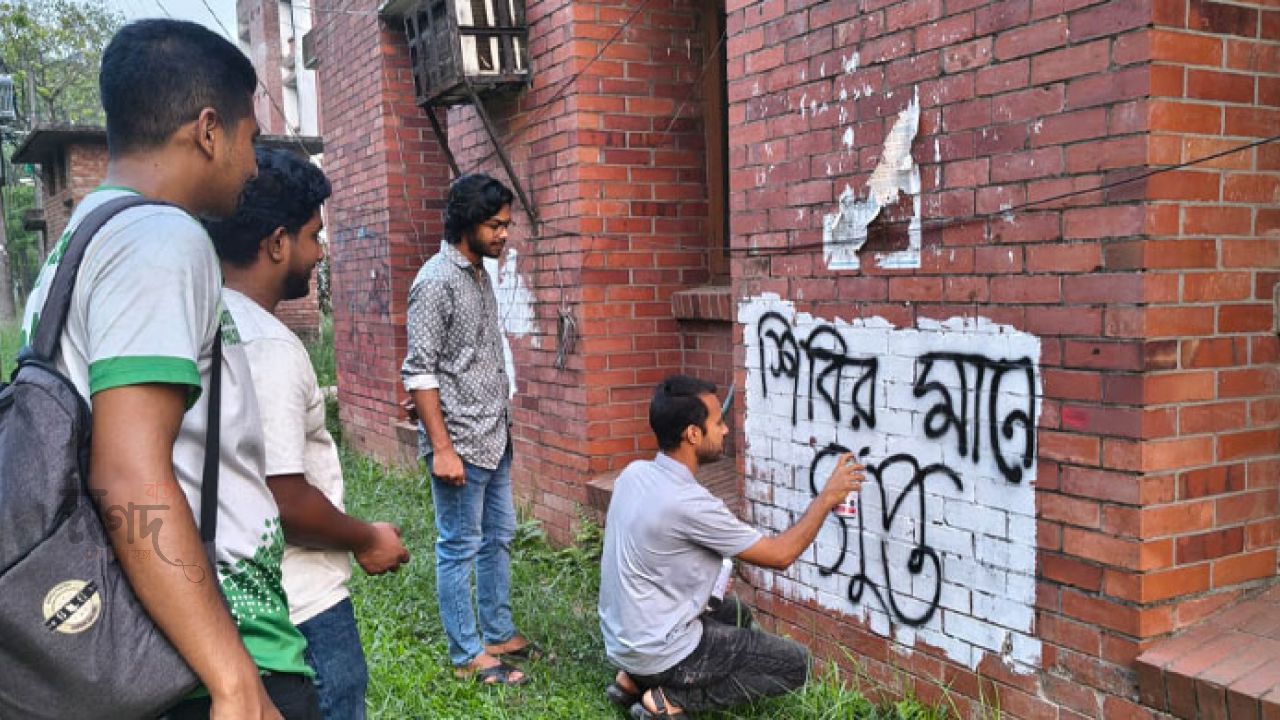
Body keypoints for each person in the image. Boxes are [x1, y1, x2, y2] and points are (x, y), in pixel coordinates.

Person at [18, 19, 318, 720]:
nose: (253, 166)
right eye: (249, 138)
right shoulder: (161, 238)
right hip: (204, 656)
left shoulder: (76, 248)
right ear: (209, 131)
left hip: (130, 645)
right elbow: (128, 472)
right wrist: (234, 679)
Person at [204, 148, 411, 719]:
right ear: (277, 243)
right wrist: (367, 538)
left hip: (232, 604)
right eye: (313, 236)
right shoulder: (266, 345)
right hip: (301, 609)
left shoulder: (203, 320)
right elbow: (285, 497)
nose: (320, 252)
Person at [598, 376, 864, 719]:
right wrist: (827, 498)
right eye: (718, 422)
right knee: (795, 665)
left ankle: (632, 681)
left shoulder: (634, 474)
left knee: (735, 613)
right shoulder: (690, 503)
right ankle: (669, 699)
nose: (725, 430)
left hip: (623, 640)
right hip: (658, 650)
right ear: (693, 434)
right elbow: (780, 555)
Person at [401, 173, 543, 686]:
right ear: (466, 223)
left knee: (498, 536)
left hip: (494, 434)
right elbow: (419, 370)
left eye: (506, 225)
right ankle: (466, 654)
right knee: (459, 545)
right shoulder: (435, 281)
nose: (504, 234)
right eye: (494, 225)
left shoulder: (479, 274)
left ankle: (498, 633)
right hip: (460, 442)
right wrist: (442, 448)